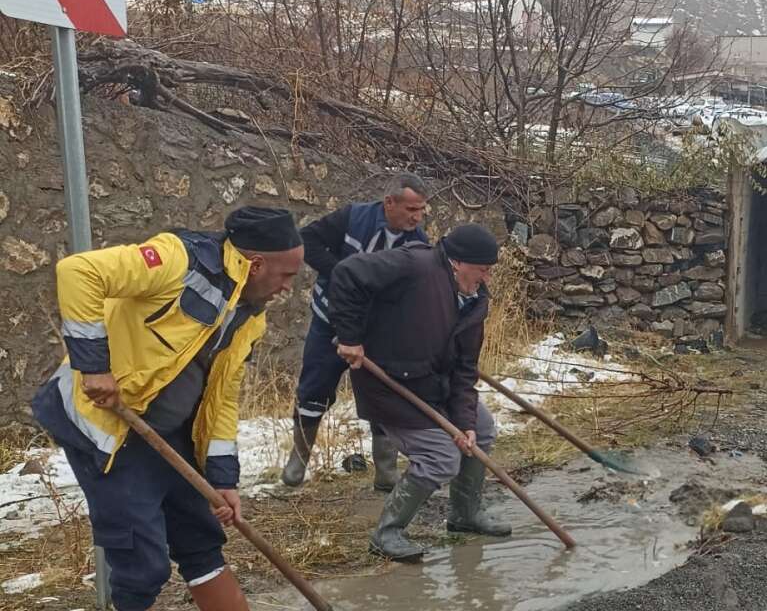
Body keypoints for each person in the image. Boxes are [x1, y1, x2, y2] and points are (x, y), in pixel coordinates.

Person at [30, 207, 304, 611]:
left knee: (202, 538)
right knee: (143, 566)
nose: (288, 288)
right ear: (256, 263)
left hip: (169, 432)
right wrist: (93, 366)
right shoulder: (178, 259)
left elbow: (222, 399)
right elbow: (78, 272)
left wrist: (223, 478)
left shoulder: (250, 319)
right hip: (110, 428)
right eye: (287, 276)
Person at [326, 223, 509, 561]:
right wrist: (350, 337)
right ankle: (387, 532)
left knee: (480, 430)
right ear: (458, 261)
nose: (486, 278)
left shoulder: (474, 302)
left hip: (436, 386)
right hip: (391, 385)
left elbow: (464, 370)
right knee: (441, 457)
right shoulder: (416, 266)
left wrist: (464, 421)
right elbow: (347, 273)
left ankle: (463, 515)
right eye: (483, 270)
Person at [283, 173, 431, 489]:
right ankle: (298, 461)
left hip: (378, 329)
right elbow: (306, 239)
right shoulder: (353, 218)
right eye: (411, 209)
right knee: (314, 387)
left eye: (421, 210)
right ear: (389, 202)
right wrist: (344, 274)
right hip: (330, 320)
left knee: (384, 394)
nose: (417, 217)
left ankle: (386, 472)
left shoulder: (418, 242)